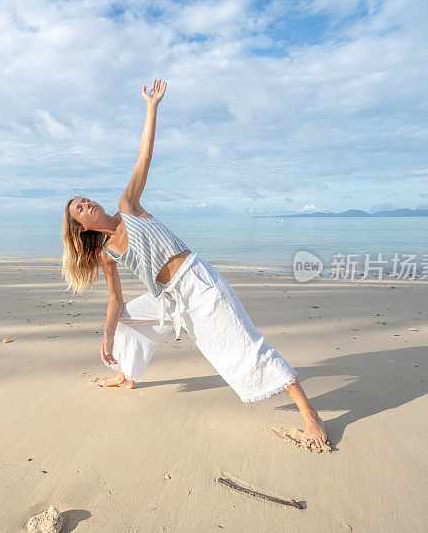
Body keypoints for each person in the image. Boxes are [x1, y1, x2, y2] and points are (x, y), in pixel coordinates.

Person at [61, 79, 328, 449]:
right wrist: (107, 336)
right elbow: (116, 302)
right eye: (79, 208)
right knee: (125, 321)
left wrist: (151, 108)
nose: (87, 204)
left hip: (197, 283)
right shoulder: (107, 255)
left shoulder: (128, 207)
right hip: (167, 297)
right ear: (81, 226)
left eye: (86, 199)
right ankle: (127, 376)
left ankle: (310, 415)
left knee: (244, 345)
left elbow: (145, 158)